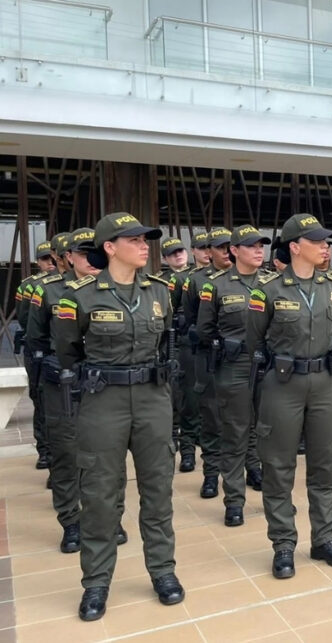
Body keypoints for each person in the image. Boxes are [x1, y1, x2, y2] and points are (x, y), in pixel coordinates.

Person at [53, 212, 182, 621]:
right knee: (100, 496)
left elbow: (166, 345)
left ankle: (162, 571)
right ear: (110, 247)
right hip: (102, 399)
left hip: (152, 397)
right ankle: (96, 583)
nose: (145, 245)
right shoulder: (81, 296)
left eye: (147, 239)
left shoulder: (160, 292)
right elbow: (67, 350)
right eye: (135, 240)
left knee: (158, 490)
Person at [246, 213, 332, 579]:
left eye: (326, 240)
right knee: (278, 468)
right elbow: (254, 340)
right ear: (295, 247)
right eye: (317, 240)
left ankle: (324, 539)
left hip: (324, 382)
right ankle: (284, 544)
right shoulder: (268, 290)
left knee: (324, 464)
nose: (326, 246)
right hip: (283, 385)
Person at [25, 227, 130, 555]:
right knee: (67, 456)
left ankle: (111, 517)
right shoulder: (49, 291)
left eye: (95, 252)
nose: (91, 260)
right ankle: (72, 521)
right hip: (64, 386)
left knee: (110, 457)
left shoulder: (118, 288)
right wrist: (41, 388)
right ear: (67, 257)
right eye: (84, 253)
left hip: (105, 386)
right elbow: (35, 343)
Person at [196, 225, 271, 527]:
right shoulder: (216, 286)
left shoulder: (273, 283)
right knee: (235, 434)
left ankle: (274, 499)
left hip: (267, 367)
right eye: (251, 246)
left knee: (269, 435)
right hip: (235, 366)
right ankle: (234, 501)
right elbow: (204, 330)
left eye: (261, 246)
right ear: (234, 251)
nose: (258, 251)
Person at [184, 227, 233, 500]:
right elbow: (193, 322)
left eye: (230, 246)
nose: (226, 251)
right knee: (212, 418)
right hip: (210, 358)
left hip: (243, 361)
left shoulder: (252, 278)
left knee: (247, 421)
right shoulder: (197, 281)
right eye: (220, 247)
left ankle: (251, 468)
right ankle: (212, 474)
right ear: (209, 251)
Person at [15, 240, 58, 471]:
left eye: (53, 259)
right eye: (45, 259)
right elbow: (23, 319)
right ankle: (44, 450)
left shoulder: (69, 284)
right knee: (40, 400)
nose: (50, 263)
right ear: (38, 262)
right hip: (38, 350)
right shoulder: (28, 286)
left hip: (60, 351)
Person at [171, 231, 210, 472]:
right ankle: (187, 450)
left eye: (211, 247)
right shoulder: (186, 279)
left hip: (219, 350)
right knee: (190, 400)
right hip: (191, 347)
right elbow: (175, 313)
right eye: (202, 247)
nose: (208, 251)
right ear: (193, 251)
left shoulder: (230, 278)